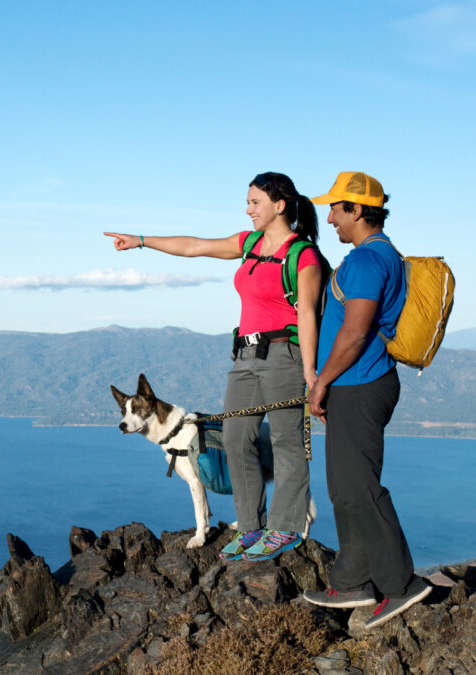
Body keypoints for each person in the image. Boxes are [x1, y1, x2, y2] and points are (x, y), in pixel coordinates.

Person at [104, 171, 325, 563]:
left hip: (284, 355)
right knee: (237, 438)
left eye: (255, 202)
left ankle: (285, 528)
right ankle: (250, 525)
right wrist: (141, 241)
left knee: (287, 441)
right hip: (244, 356)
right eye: (248, 201)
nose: (248, 209)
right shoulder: (250, 243)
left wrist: (311, 373)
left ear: (280, 205)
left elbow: (306, 314)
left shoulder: (301, 254)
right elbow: (193, 246)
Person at [301, 171, 432, 629]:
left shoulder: (365, 262)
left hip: (359, 385)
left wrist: (320, 383)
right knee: (344, 486)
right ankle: (354, 579)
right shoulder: (380, 256)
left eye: (336, 208)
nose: (330, 217)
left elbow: (356, 332)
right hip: (357, 385)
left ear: (357, 210)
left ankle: (401, 584)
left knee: (359, 488)